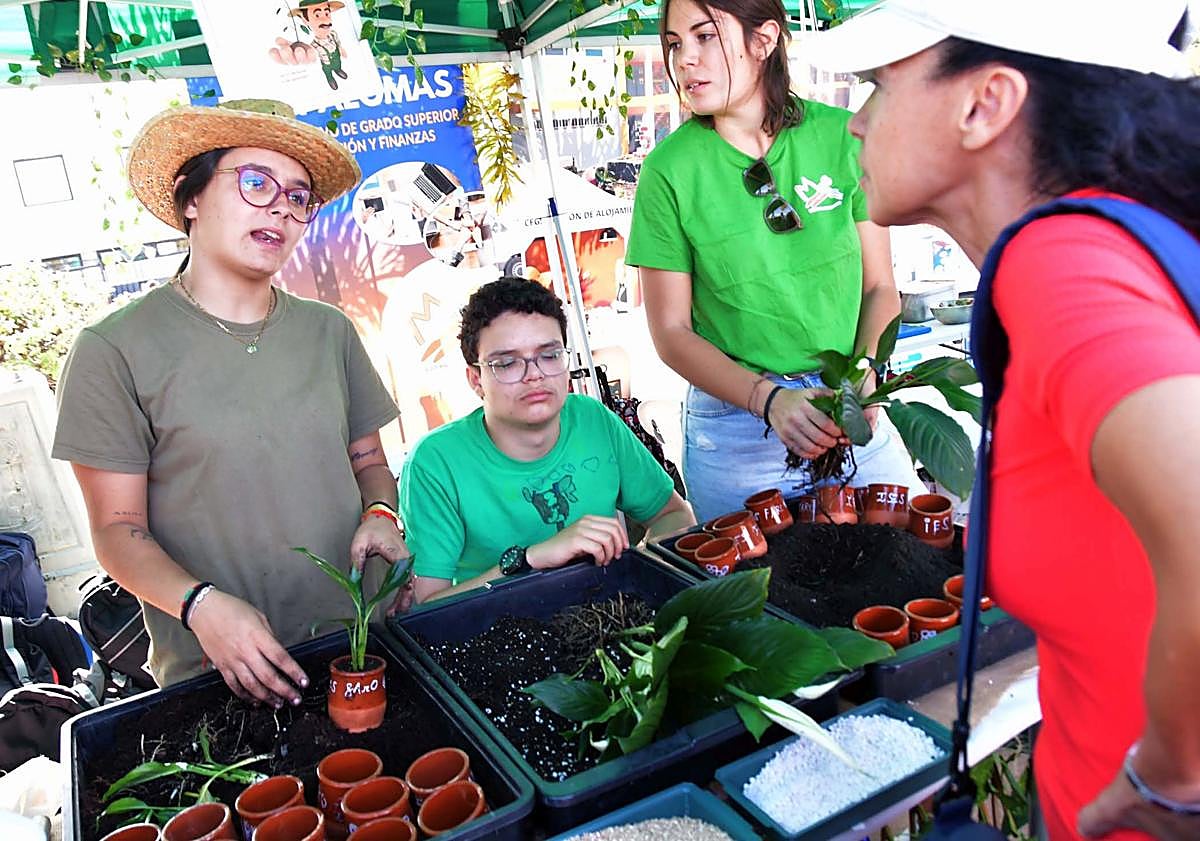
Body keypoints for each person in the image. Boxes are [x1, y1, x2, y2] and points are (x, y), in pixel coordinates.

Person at [804, 2, 1200, 839]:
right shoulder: (1125, 239)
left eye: (877, 87)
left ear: (985, 102)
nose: (855, 124)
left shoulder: (1060, 265)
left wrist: (1171, 776)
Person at [53, 99, 406, 707]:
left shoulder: (329, 331)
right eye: (255, 182)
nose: (282, 207)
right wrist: (201, 608)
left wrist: (381, 515)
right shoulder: (114, 350)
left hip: (362, 643)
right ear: (190, 198)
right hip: (222, 672)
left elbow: (368, 458)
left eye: (299, 197)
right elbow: (116, 530)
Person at [625, 0, 925, 523]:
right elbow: (670, 332)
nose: (684, 61)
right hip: (738, 425)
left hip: (848, 396)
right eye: (674, 45)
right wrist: (767, 400)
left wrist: (863, 380)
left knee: (913, 564)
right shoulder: (667, 171)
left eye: (704, 37)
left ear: (763, 41)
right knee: (758, 596)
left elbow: (880, 288)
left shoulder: (842, 135)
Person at [398, 276, 695, 604]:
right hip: (496, 633)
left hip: (606, 616)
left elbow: (674, 515)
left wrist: (638, 572)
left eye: (550, 355)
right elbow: (426, 606)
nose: (534, 373)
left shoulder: (592, 420)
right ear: (475, 379)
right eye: (508, 363)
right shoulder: (435, 462)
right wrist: (530, 559)